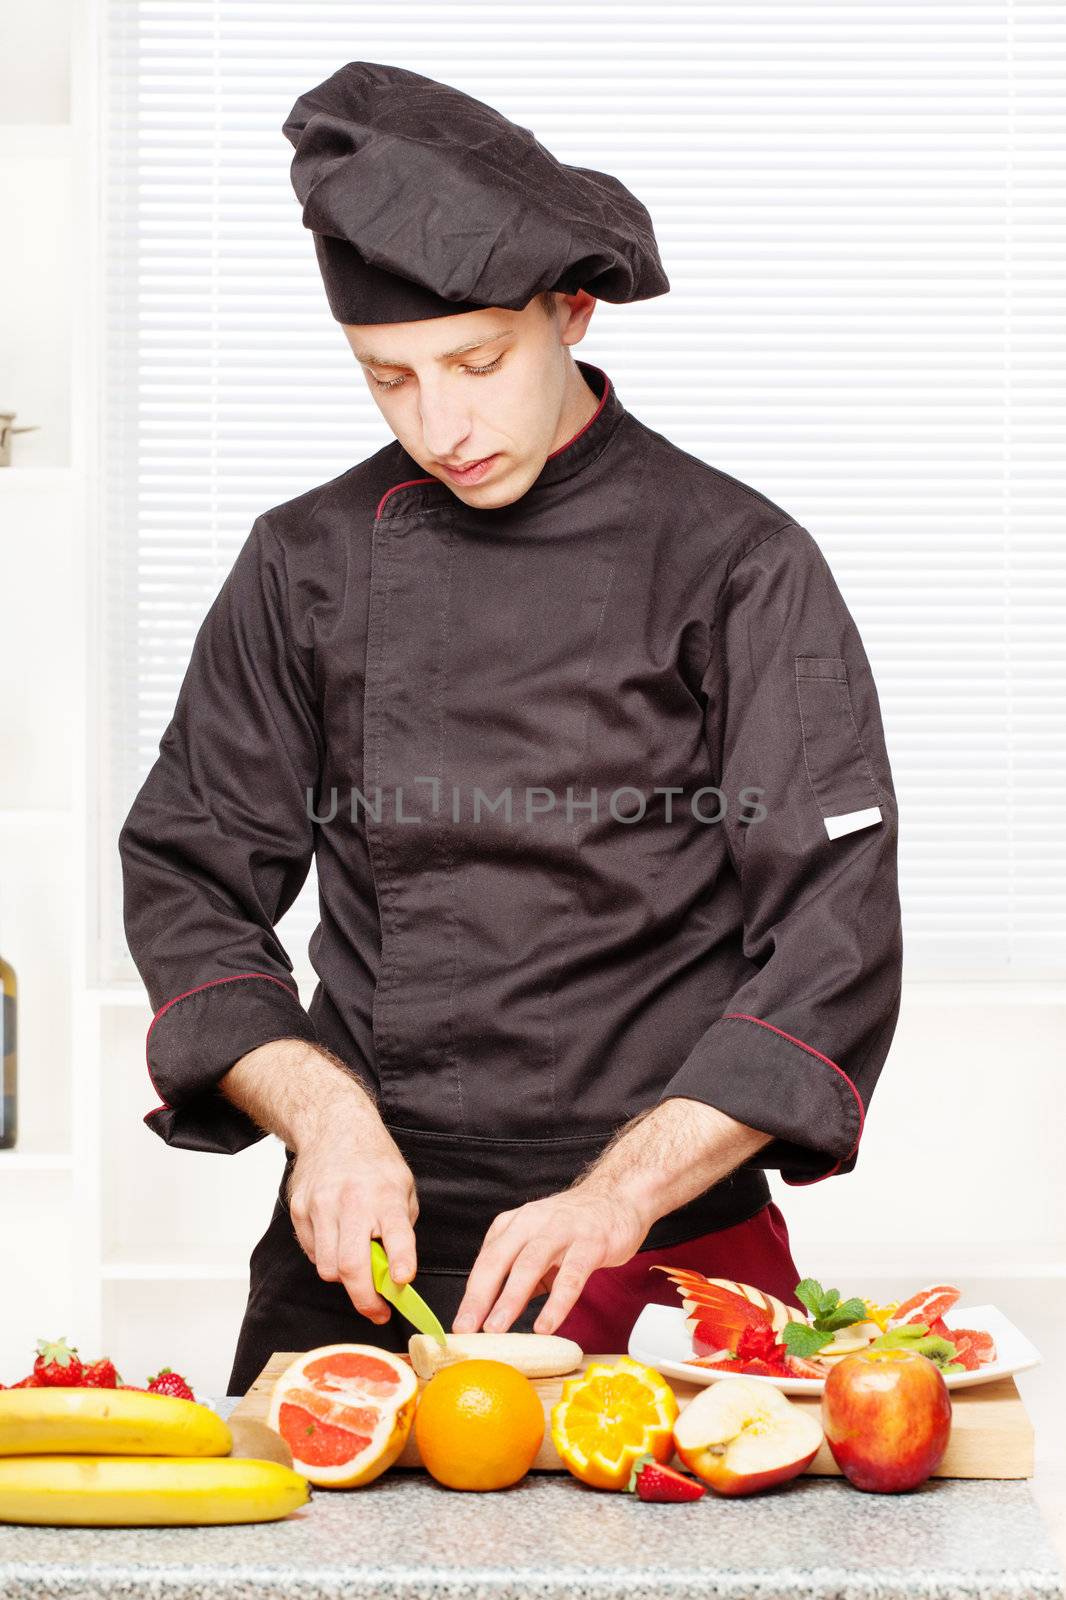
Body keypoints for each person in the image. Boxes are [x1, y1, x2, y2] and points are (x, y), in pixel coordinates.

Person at [119, 63, 904, 1395]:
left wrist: (617, 1200)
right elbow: (193, 878)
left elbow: (830, 936)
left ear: (570, 311)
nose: (442, 427)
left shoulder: (738, 562)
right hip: (367, 1246)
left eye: (477, 364)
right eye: (390, 381)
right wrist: (325, 1115)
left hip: (660, 1253)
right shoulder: (302, 561)